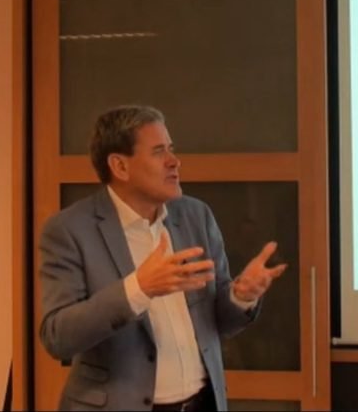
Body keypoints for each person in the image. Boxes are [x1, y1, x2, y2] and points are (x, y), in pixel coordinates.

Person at [39, 105, 287, 411]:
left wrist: (241, 296)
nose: (174, 161)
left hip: (200, 404)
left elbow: (218, 322)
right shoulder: (70, 230)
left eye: (171, 149)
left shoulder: (196, 216)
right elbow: (58, 337)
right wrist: (139, 289)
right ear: (120, 166)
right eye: (158, 152)